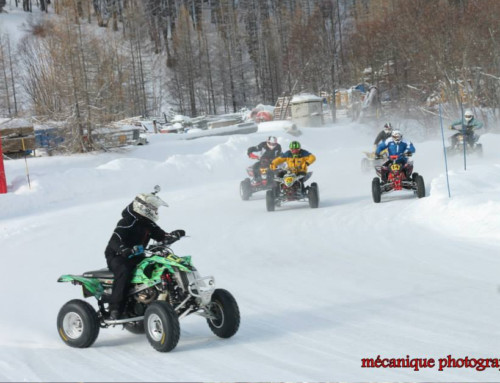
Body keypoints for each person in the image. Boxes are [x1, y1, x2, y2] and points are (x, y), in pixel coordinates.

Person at [104, 190, 185, 320]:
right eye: (153, 207)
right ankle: (115, 308)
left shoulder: (148, 223)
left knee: (157, 265)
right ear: (143, 206)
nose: (155, 210)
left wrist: (173, 236)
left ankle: (158, 299)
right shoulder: (127, 221)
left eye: (156, 208)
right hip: (118, 256)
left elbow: (162, 236)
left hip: (137, 256)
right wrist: (125, 249)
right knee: (124, 270)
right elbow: (114, 241)